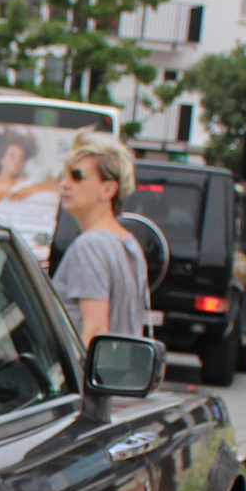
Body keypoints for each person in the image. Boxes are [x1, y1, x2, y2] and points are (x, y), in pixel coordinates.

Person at [50, 129, 147, 340]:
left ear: (108, 190)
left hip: (95, 370)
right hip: (120, 370)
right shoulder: (128, 243)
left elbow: (95, 330)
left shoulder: (90, 246)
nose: (65, 184)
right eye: (64, 176)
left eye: (77, 177)